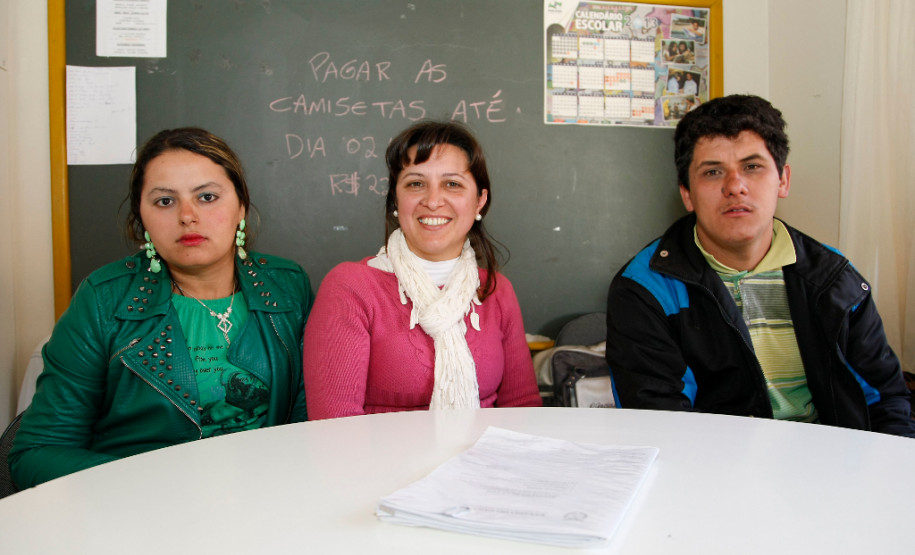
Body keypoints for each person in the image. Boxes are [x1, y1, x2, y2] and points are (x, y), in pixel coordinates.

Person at [10, 128, 314, 488]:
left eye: (207, 196)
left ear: (241, 207)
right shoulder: (103, 299)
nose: (187, 215)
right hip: (139, 512)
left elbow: (306, 429)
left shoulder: (287, 286)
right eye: (165, 201)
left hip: (259, 502)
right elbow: (37, 451)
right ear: (142, 219)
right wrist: (152, 487)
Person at [606, 95, 915, 437]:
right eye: (712, 172)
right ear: (687, 194)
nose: (735, 186)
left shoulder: (833, 278)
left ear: (783, 180)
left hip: (831, 469)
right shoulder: (646, 288)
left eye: (752, 167)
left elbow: (886, 405)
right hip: (710, 473)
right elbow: (659, 425)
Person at [303, 121, 541, 418]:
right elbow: (334, 431)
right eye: (416, 184)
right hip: (380, 464)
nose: (432, 201)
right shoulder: (351, 287)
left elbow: (523, 411)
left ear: (480, 200)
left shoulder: (496, 290)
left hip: (485, 461)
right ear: (396, 199)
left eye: (452, 184)